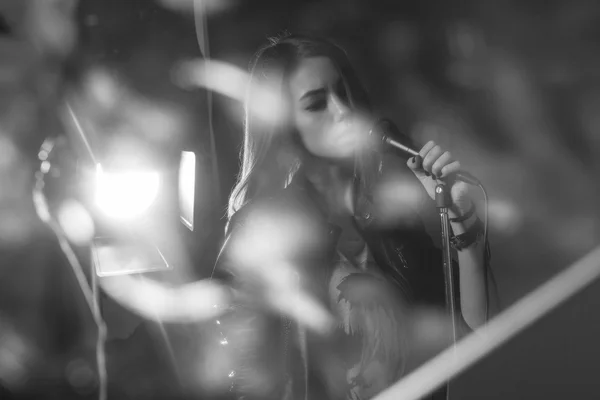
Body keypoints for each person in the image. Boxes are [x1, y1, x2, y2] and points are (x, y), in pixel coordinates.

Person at [210, 32, 490, 400]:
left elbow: (471, 346)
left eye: (344, 93)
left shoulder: (391, 222)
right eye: (315, 104)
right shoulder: (265, 228)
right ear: (283, 126)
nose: (342, 111)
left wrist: (463, 230)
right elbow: (245, 376)